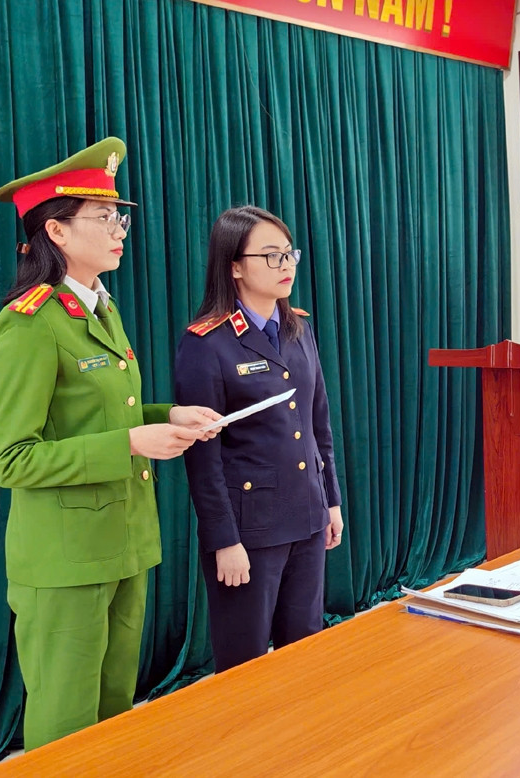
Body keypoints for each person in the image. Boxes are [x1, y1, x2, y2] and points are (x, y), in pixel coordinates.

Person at [0, 137, 222, 749]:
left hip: (123, 546)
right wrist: (133, 443)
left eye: (121, 217)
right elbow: (10, 459)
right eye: (104, 217)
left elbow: (107, 414)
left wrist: (171, 414)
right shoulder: (29, 326)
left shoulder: (100, 310)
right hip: (65, 562)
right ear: (56, 231)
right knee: (66, 730)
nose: (119, 230)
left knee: (115, 718)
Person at [175, 205, 344, 672]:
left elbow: (318, 424)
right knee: (244, 664)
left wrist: (330, 501)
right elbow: (204, 457)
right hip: (250, 531)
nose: (286, 265)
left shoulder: (298, 329)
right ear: (234, 266)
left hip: (306, 516)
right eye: (271, 256)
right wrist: (223, 541)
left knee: (304, 653)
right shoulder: (207, 342)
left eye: (289, 254)